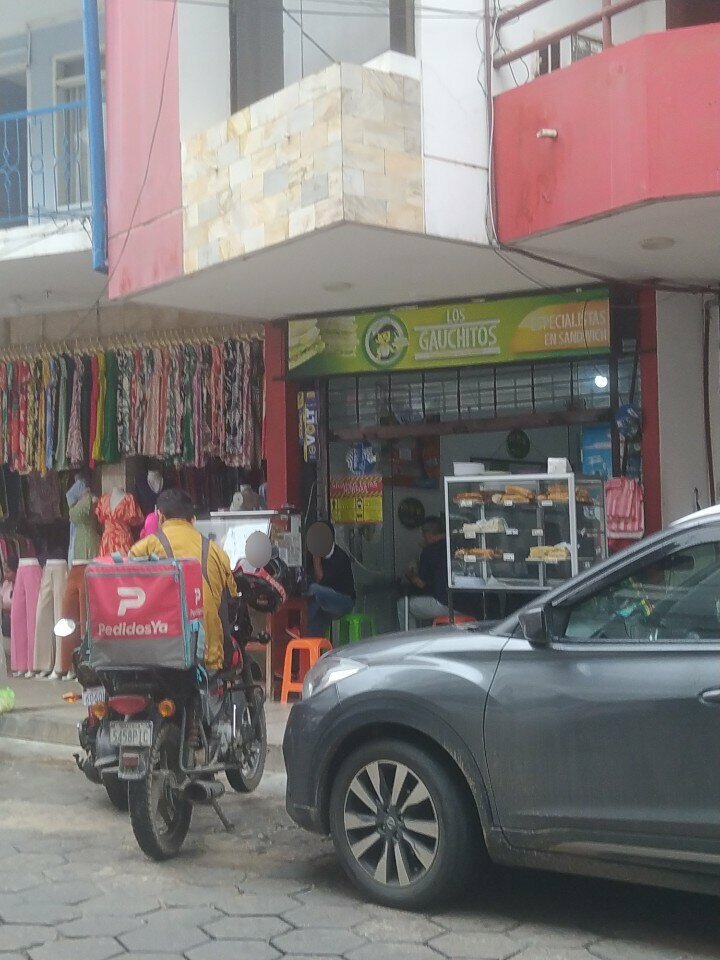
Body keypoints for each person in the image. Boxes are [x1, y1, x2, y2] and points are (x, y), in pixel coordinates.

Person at [129, 488, 237, 672]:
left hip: (157, 652)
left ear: (160, 516)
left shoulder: (145, 547)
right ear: (192, 520)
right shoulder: (215, 551)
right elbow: (232, 594)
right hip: (206, 654)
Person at [397, 516, 449, 629]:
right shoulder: (452, 546)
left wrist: (409, 575)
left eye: (423, 534)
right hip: (465, 605)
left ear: (428, 534)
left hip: (443, 604)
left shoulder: (429, 551)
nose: (423, 537)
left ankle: (410, 642)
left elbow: (421, 584)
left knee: (402, 605)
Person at [307, 522, 355, 637]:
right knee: (317, 609)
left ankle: (304, 623)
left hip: (344, 600)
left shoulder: (339, 557)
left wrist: (316, 560)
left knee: (314, 589)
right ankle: (313, 642)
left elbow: (321, 580)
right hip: (324, 601)